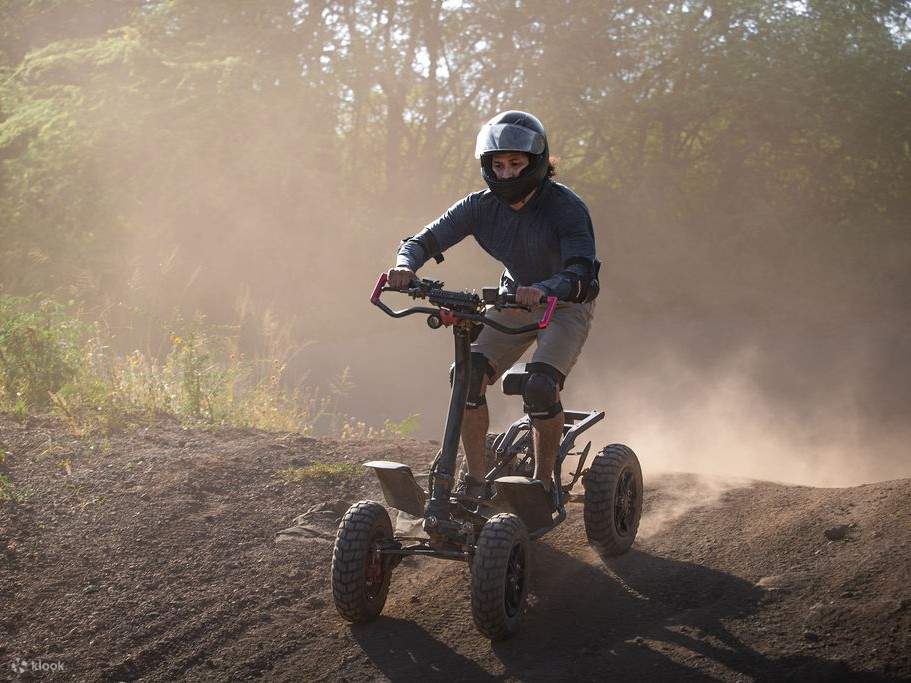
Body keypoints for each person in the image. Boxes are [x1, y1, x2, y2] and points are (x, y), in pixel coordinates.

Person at [387, 110, 600, 502]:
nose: (505, 173)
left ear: (537, 163)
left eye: (516, 164)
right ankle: (476, 481)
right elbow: (422, 241)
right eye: (497, 165)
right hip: (512, 299)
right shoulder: (479, 207)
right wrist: (404, 266)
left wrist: (546, 287)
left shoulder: (565, 207)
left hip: (566, 304)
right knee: (466, 376)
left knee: (539, 386)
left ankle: (542, 486)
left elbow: (582, 273)